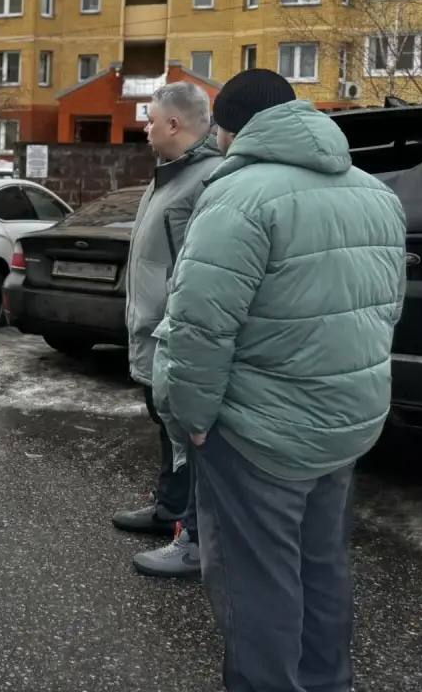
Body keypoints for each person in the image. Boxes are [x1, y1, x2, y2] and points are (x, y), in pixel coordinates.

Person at [154, 69, 405, 692]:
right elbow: (387, 309)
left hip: (259, 436)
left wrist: (192, 420)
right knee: (321, 571)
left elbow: (199, 328)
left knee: (257, 587)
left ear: (230, 128)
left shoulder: (238, 196)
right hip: (346, 424)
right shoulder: (376, 193)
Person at [113, 82, 220, 579]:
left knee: (189, 433)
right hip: (153, 333)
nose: (145, 126)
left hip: (175, 336)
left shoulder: (206, 181)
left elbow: (201, 272)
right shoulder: (169, 177)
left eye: (152, 118)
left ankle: (194, 536)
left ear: (175, 124)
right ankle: (169, 511)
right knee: (166, 426)